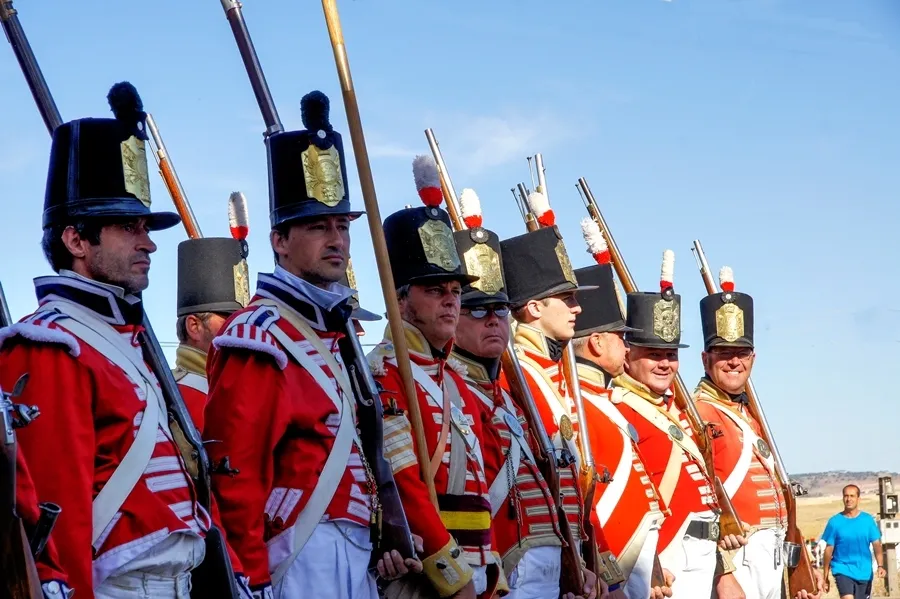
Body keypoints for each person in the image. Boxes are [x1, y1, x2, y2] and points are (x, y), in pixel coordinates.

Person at [0, 82, 248, 598]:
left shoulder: (125, 340)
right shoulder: (53, 345)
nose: (149, 243)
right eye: (128, 228)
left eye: (144, 227)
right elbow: (57, 521)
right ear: (76, 239)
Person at [203, 91, 413, 599]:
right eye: (318, 227)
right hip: (299, 553)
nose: (336, 239)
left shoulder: (332, 332)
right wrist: (250, 580)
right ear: (280, 241)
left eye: (342, 226)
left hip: (355, 552)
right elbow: (236, 478)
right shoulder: (260, 337)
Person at [448, 190, 601, 599]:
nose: (493, 320)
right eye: (477, 310)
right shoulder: (452, 389)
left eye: (499, 309)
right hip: (501, 567)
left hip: (547, 558)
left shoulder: (507, 395)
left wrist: (581, 564)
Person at [366, 162, 504, 599]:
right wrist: (454, 576)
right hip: (430, 571)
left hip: (476, 568)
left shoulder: (456, 383)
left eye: (455, 291)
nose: (450, 301)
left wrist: (492, 572)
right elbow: (403, 483)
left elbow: (483, 489)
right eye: (434, 290)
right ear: (401, 301)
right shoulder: (385, 373)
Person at [609, 251, 744, 599]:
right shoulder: (619, 409)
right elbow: (623, 500)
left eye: (671, 355)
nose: (665, 364)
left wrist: (724, 568)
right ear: (628, 356)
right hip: (665, 554)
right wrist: (649, 562)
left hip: (702, 552)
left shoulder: (677, 410)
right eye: (654, 354)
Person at [570, 220, 672, 599]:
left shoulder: (600, 398)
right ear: (597, 342)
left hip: (634, 550)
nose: (628, 347)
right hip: (611, 555)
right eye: (621, 337)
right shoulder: (577, 401)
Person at [499, 212, 599, 598]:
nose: (578, 308)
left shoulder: (553, 373)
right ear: (535, 307)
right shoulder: (512, 373)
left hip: (563, 545)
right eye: (567, 298)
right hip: (526, 547)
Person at [692, 266, 789, 599]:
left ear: (753, 358)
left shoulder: (749, 413)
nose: (734, 361)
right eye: (723, 353)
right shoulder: (699, 412)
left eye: (741, 353)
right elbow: (695, 503)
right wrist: (722, 572)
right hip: (736, 555)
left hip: (771, 554)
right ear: (705, 359)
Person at [172, 234, 250, 432]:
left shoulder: (241, 389)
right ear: (194, 327)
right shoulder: (171, 394)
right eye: (227, 319)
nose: (239, 328)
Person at [822, 485, 884, 599]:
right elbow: (828, 550)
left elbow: (877, 545)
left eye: (852, 496)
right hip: (842, 568)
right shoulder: (834, 522)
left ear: (858, 499)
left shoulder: (868, 520)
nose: (849, 499)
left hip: (864, 571)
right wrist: (825, 576)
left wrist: (880, 565)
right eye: (846, 496)